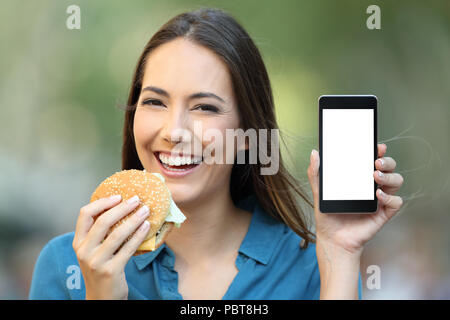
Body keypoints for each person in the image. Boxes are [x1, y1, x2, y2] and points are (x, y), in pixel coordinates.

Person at [29, 8, 404, 300]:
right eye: (155, 101)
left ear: (247, 135)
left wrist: (339, 255)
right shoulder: (68, 265)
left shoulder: (312, 267)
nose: (174, 131)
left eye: (205, 108)